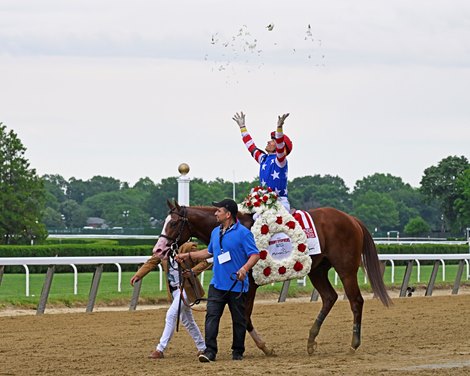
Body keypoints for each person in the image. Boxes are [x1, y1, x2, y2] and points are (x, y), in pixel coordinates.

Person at [176, 198, 260, 362]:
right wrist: (187, 255)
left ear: (228, 214)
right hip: (218, 284)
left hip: (237, 285)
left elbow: (255, 254)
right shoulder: (215, 232)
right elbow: (209, 253)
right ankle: (210, 351)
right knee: (211, 317)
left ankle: (238, 351)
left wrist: (244, 269)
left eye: (218, 211)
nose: (215, 213)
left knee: (239, 320)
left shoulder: (244, 233)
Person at [130, 242, 210, 359]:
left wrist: (192, 271)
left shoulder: (188, 247)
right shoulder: (163, 249)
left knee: (171, 315)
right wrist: (138, 275)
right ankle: (202, 347)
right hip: (174, 291)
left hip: (186, 289)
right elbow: (152, 262)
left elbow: (204, 262)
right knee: (187, 320)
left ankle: (160, 349)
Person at [232, 111, 293, 212]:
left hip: (279, 203)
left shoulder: (280, 161)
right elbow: (250, 146)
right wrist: (242, 128)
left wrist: (279, 128)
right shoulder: (263, 158)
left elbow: (280, 144)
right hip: (263, 201)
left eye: (273, 141)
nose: (268, 141)